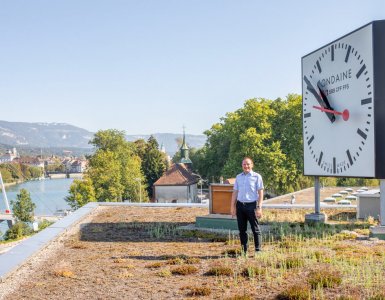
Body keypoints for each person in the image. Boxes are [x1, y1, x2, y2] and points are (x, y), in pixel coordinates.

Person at [231, 157, 264, 255]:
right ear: (242, 166)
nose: (246, 166)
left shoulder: (257, 176)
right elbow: (235, 192)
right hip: (240, 206)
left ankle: (258, 250)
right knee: (242, 230)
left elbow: (261, 193)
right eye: (244, 164)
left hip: (252, 206)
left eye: (248, 164)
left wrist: (259, 207)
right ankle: (244, 251)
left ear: (252, 165)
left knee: (255, 229)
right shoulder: (238, 177)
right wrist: (232, 207)